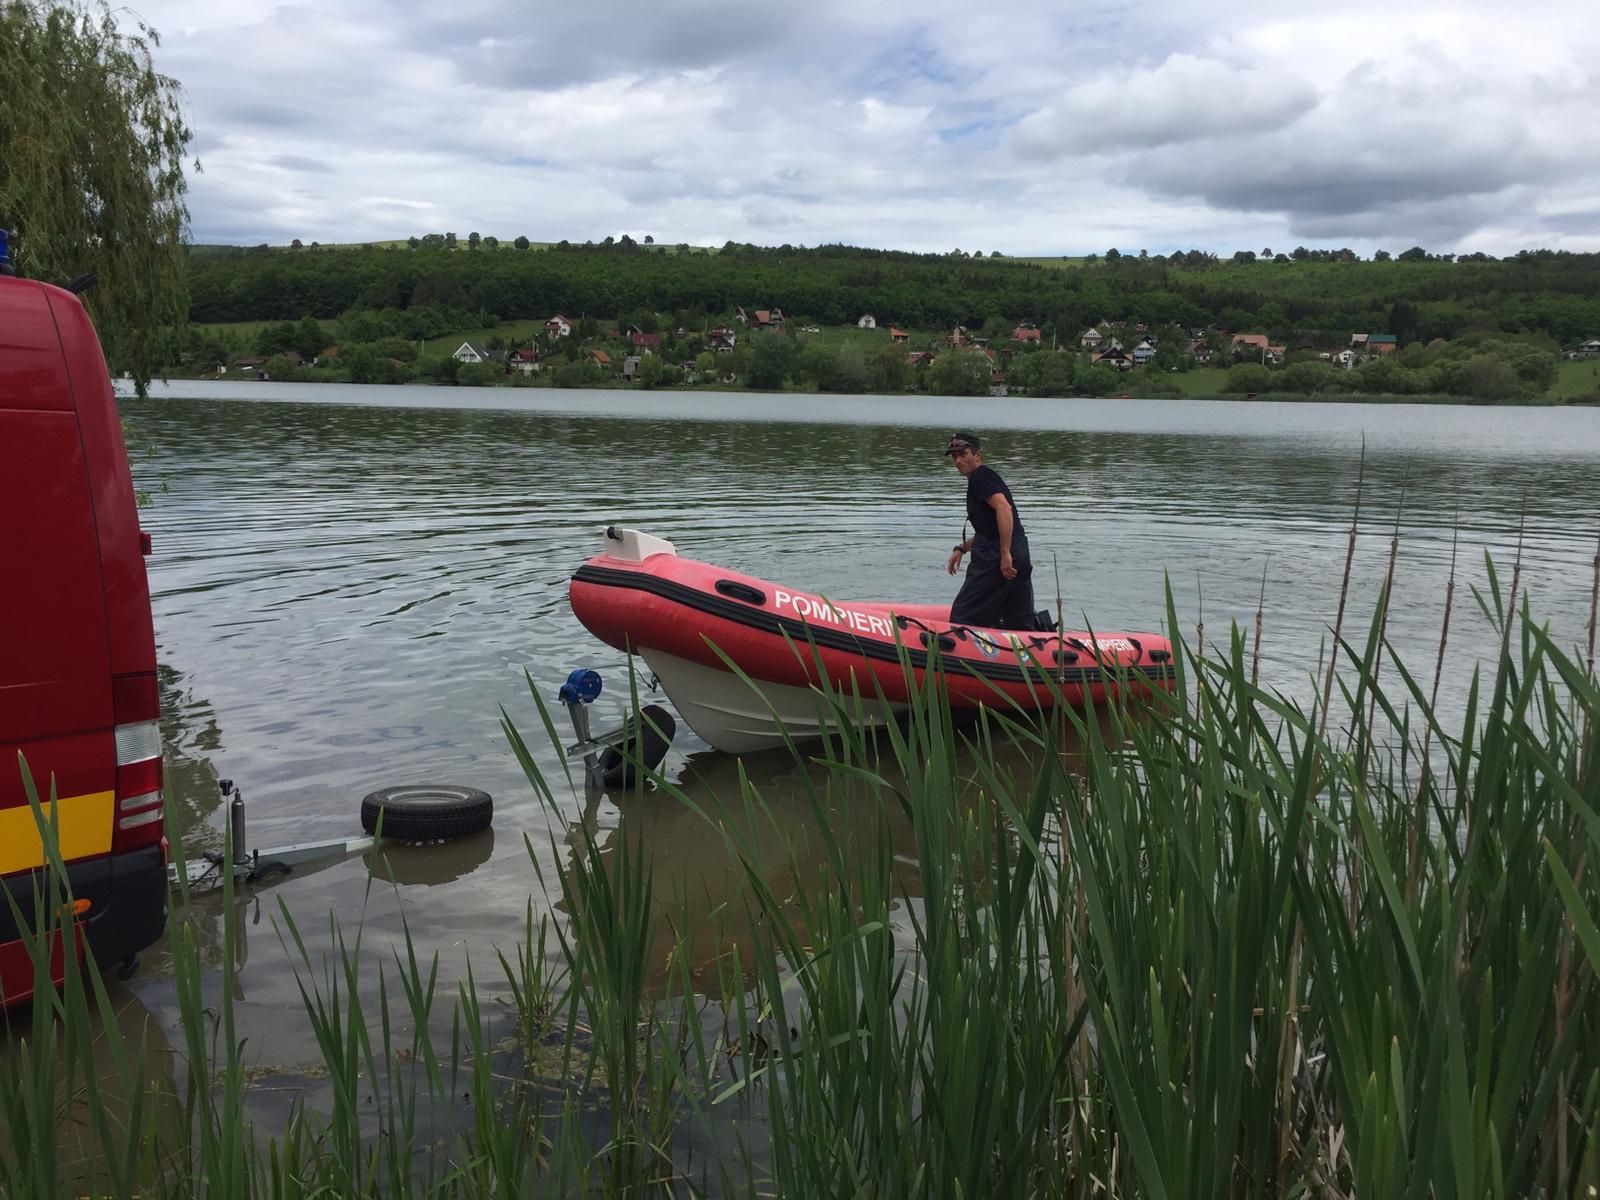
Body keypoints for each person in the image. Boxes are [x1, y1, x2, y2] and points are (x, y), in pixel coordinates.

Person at [943, 431, 1038, 630]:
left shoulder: (980, 476)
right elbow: (990, 529)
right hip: (1018, 552)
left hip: (997, 556)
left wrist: (1004, 553)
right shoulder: (985, 478)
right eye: (954, 456)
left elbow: (1003, 508)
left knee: (963, 616)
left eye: (963, 454)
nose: (958, 460)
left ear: (978, 456)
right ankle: (1029, 656)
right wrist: (962, 548)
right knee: (1018, 624)